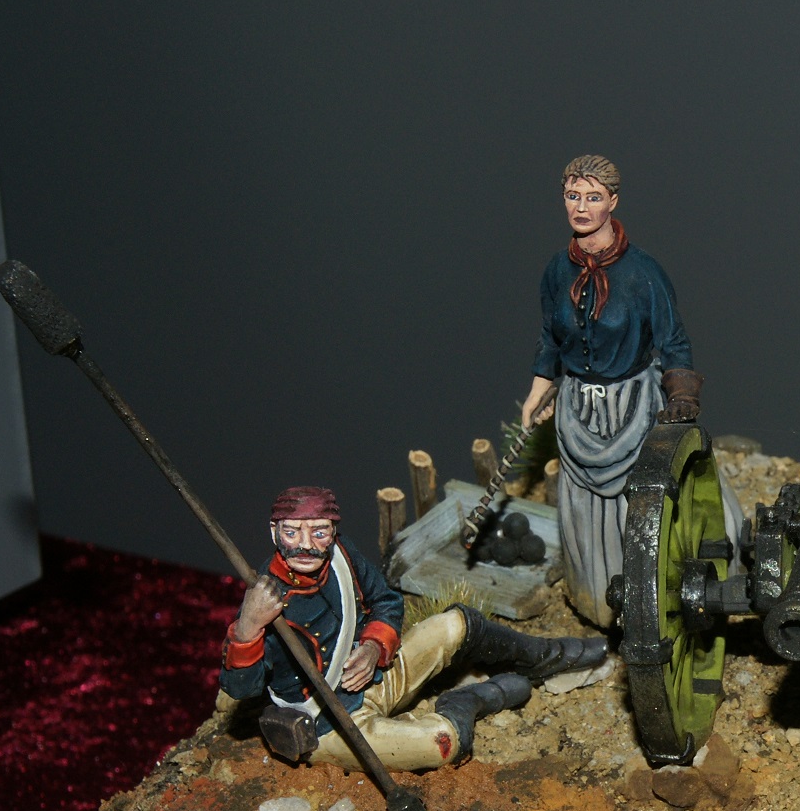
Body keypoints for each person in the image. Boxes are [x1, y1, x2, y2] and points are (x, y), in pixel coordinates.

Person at [219, 486, 604, 769]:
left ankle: (542, 656)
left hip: (377, 676)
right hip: (330, 725)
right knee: (442, 743)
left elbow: (386, 601)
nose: (306, 545)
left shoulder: (341, 557)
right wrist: (248, 628)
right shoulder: (262, 602)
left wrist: (373, 647)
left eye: (319, 532)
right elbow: (242, 689)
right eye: (292, 533)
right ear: (275, 532)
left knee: (457, 623)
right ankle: (466, 701)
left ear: (333, 532)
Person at [522, 154, 738, 626]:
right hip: (578, 409)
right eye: (573, 196)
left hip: (633, 407)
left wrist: (682, 398)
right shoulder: (557, 270)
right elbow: (549, 335)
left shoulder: (644, 273)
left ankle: (648, 602)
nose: (581, 208)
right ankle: (598, 602)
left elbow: (674, 340)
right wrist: (540, 387)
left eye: (593, 197)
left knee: (639, 510)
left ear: (613, 202)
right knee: (583, 514)